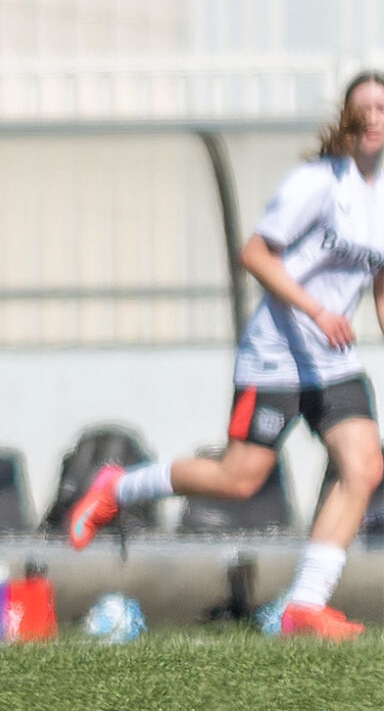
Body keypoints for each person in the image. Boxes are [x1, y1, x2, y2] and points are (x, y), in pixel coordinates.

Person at [70, 70, 384, 641]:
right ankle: (117, 486)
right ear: (345, 119)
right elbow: (256, 254)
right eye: (362, 109)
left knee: (364, 467)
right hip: (278, 354)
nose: (372, 119)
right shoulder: (316, 183)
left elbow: (380, 281)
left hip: (333, 363)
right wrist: (316, 311)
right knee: (240, 479)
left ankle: (304, 605)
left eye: (382, 108)